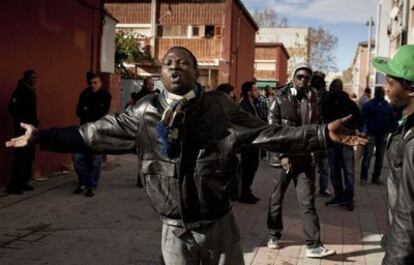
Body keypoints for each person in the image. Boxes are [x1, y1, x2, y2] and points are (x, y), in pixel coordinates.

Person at [6, 46, 366, 265]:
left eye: (182, 62)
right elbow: (90, 133)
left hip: (220, 225)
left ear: (196, 72)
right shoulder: (145, 113)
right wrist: (40, 136)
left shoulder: (219, 106)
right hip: (174, 230)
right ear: (161, 73)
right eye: (167, 63)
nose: (174, 67)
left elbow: (266, 133)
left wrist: (320, 133)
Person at [266, 63, 334, 258]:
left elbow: (318, 129)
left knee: (307, 202)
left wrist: (320, 156)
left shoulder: (314, 99)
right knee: (276, 199)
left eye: (307, 77)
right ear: (293, 77)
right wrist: (283, 155)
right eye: (300, 76)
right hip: (283, 160)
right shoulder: (279, 98)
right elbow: (272, 131)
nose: (304, 80)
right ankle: (273, 233)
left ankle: (313, 245)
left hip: (305, 158)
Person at [371, 45, 414, 265]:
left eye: (390, 82)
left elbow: (408, 215)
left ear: (411, 89)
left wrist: (393, 257)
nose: (385, 88)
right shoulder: (405, 121)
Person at [323, 79, 361, 211]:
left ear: (340, 88)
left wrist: (351, 130)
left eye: (335, 87)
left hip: (345, 141)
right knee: (335, 171)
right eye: (332, 87)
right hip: (333, 142)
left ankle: (348, 199)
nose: (333, 89)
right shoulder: (327, 102)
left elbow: (359, 119)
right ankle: (339, 196)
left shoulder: (349, 103)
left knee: (348, 171)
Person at [73, 73, 111, 197]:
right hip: (83, 130)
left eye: (95, 83)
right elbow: (78, 111)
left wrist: (87, 109)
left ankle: (92, 186)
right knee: (77, 157)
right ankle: (83, 182)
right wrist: (89, 110)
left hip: (98, 131)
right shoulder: (85, 94)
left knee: (96, 159)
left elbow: (101, 114)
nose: (93, 85)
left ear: (100, 83)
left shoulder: (106, 96)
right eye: (91, 83)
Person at [6, 69, 39, 194]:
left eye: (36, 77)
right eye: (32, 77)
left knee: (29, 156)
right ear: (26, 78)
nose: (34, 80)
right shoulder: (19, 92)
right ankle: (13, 186)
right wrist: (22, 122)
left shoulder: (31, 91)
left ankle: (23, 182)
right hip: (21, 130)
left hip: (31, 130)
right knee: (20, 157)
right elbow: (12, 109)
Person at [360, 86, 397, 185]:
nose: (380, 94)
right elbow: (362, 118)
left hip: (382, 134)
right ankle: (364, 177)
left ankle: (374, 177)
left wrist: (392, 129)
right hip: (372, 134)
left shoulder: (386, 106)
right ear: (376, 93)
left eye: (381, 92)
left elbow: (393, 119)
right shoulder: (370, 105)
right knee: (368, 156)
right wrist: (361, 131)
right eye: (379, 92)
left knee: (379, 158)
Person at [239, 81, 261, 204]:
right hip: (247, 143)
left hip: (253, 143)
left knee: (252, 168)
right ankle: (244, 194)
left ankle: (247, 191)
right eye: (256, 90)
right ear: (249, 92)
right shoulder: (243, 105)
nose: (258, 92)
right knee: (247, 169)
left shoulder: (252, 104)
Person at [310, 71, 330, 197]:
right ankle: (322, 189)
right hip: (323, 132)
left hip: (312, 132)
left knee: (313, 163)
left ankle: (311, 188)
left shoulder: (308, 94)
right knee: (323, 164)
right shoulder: (326, 96)